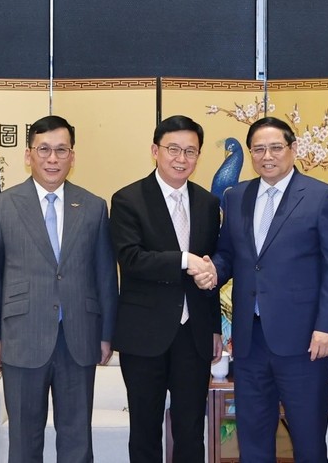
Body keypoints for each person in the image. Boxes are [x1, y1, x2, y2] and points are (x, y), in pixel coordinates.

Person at [195, 116, 328, 462]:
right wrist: (212, 270)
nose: (267, 156)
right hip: (249, 341)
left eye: (276, 147)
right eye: (259, 149)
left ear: (293, 149)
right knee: (252, 440)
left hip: (305, 343)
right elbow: (228, 254)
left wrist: (327, 327)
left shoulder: (322, 196)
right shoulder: (236, 197)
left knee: (309, 442)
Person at [0, 115, 118, 462]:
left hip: (79, 337)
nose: (52, 159)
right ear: (28, 155)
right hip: (22, 337)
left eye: (61, 150)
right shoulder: (1, 206)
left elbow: (105, 275)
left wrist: (106, 335)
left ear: (72, 156)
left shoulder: (94, 206)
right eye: (44, 150)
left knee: (77, 439)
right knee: (24, 439)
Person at [110, 115, 222, 462]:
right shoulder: (128, 199)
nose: (181, 158)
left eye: (191, 151)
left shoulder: (208, 203)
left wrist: (215, 328)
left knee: (191, 430)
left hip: (194, 335)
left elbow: (209, 267)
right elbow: (131, 259)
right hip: (144, 335)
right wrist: (184, 260)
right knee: (145, 430)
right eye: (173, 149)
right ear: (155, 150)